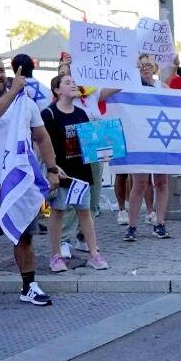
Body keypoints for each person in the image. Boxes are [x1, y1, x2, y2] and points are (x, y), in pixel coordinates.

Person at [0, 52, 62, 310]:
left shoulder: (25, 103)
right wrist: (13, 93)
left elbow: (42, 137)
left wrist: (51, 168)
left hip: (19, 181)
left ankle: (29, 286)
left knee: (24, 237)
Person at [42, 70, 109, 273]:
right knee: (58, 212)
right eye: (68, 82)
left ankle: (94, 254)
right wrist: (52, 168)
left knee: (84, 212)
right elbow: (42, 143)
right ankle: (55, 256)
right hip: (60, 173)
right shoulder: (49, 114)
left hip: (80, 172)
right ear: (57, 90)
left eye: (74, 82)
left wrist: (103, 150)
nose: (73, 85)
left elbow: (90, 143)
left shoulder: (81, 114)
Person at [115, 52, 171, 241]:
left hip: (160, 140)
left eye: (148, 64)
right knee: (140, 182)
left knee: (161, 182)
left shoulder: (162, 87)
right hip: (139, 140)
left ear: (155, 67)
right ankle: (132, 226)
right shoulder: (129, 88)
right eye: (141, 64)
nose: (145, 67)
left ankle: (160, 223)